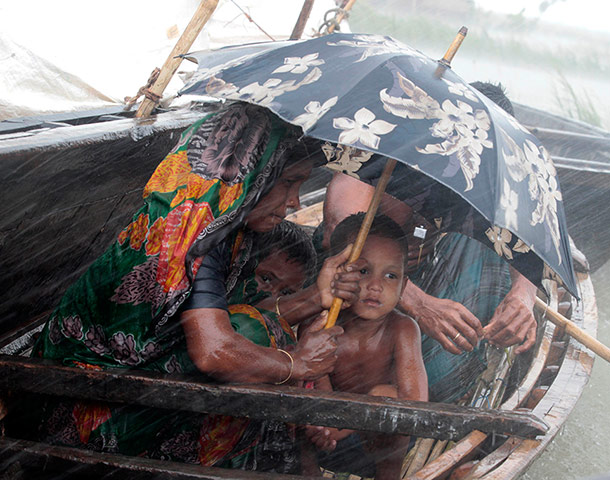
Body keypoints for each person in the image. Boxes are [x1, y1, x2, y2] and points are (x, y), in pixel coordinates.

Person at [22, 103, 364, 473]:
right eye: (287, 182)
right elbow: (214, 352)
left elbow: (224, 320)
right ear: (250, 172)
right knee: (258, 345)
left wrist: (316, 297)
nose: (295, 202)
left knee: (259, 339)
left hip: (130, 389)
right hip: (83, 406)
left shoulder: (224, 231)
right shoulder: (188, 231)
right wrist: (298, 364)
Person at [320, 81, 538, 402]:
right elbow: (343, 228)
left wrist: (523, 296)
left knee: (487, 245)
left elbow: (524, 236)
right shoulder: (386, 153)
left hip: (413, 281)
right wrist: (422, 305)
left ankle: (454, 367)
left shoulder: (479, 175)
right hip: (350, 286)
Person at [303, 213, 428, 480]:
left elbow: (417, 403)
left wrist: (367, 408)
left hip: (379, 439)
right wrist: (323, 427)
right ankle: (307, 474)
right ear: (336, 271)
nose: (375, 286)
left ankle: (388, 476)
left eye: (391, 275)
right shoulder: (319, 327)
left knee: (389, 400)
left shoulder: (402, 329)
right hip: (327, 433)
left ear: (404, 285)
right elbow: (320, 399)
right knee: (297, 412)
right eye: (363, 271)